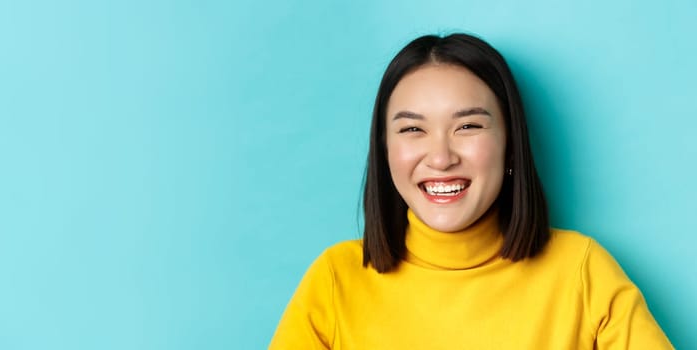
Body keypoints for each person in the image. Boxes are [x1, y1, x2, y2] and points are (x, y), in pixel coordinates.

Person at [269, 33, 672, 349]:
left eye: (468, 126)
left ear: (511, 143)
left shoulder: (582, 274)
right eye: (412, 129)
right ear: (385, 150)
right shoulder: (335, 280)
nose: (441, 157)